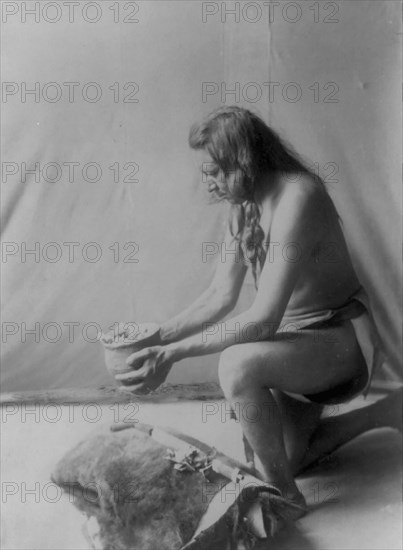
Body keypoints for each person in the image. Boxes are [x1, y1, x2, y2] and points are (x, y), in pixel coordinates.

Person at [115, 106, 402, 512]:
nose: (209, 184)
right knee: (291, 459)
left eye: (216, 172)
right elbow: (219, 295)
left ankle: (285, 498)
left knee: (236, 365)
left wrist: (172, 355)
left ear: (245, 163)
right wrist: (155, 339)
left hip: (339, 344)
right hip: (295, 347)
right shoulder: (244, 205)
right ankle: (385, 413)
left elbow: (263, 319)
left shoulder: (299, 196)